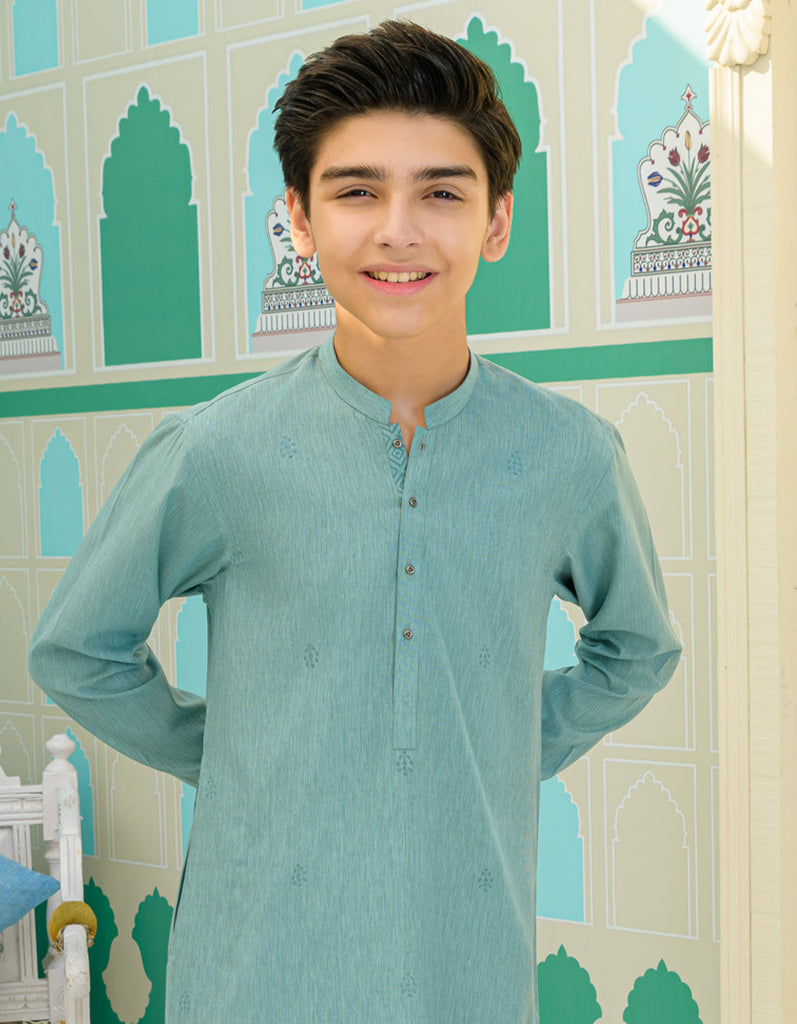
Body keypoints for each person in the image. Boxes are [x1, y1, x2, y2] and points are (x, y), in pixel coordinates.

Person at [29, 20, 681, 1024]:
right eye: (356, 192)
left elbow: (636, 650)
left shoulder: (570, 455)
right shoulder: (215, 450)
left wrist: (501, 743)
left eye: (441, 193)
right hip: (252, 974)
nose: (397, 231)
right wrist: (240, 753)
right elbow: (77, 651)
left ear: (497, 222)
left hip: (469, 967)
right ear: (297, 219)